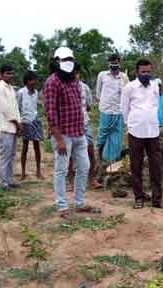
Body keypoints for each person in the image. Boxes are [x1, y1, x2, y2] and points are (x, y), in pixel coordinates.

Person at [43, 47, 99, 218]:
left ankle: (79, 202)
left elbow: (79, 106)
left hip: (78, 131)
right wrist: (59, 139)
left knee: (84, 166)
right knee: (61, 170)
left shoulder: (74, 80)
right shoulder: (52, 82)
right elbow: (51, 113)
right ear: (56, 62)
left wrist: (82, 129)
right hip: (64, 134)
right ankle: (62, 206)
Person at [121, 58, 163, 209]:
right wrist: (129, 126)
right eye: (143, 72)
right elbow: (124, 109)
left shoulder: (155, 86)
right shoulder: (129, 88)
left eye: (148, 72)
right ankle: (139, 198)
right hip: (135, 132)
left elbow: (157, 105)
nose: (146, 74)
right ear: (136, 72)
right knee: (136, 166)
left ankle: (157, 200)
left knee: (156, 167)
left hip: (153, 131)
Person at [95, 54, 130, 179]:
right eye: (112, 63)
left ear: (120, 63)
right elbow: (98, 94)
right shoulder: (102, 75)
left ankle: (113, 164)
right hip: (105, 110)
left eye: (116, 63)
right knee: (102, 135)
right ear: (108, 64)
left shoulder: (124, 77)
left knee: (116, 138)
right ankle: (99, 161)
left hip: (119, 112)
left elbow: (128, 95)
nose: (114, 65)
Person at [68, 66, 102, 190]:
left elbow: (88, 106)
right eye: (73, 73)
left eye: (77, 73)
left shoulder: (85, 88)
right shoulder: (65, 86)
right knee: (70, 154)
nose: (75, 76)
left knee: (90, 151)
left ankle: (91, 179)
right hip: (70, 124)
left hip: (84, 123)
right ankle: (71, 182)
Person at [0, 64, 22, 189]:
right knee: (5, 155)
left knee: (11, 155)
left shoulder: (11, 88)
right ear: (1, 74)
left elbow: (15, 107)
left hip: (13, 126)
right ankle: (2, 181)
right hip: (5, 126)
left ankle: (9, 179)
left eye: (11, 73)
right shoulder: (0, 87)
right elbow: (5, 108)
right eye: (7, 73)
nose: (10, 76)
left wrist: (19, 122)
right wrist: (16, 123)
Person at [17, 71, 44, 180]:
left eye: (36, 80)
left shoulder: (36, 92)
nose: (35, 82)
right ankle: (23, 172)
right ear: (27, 81)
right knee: (25, 147)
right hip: (25, 122)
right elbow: (18, 108)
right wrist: (18, 124)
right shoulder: (20, 92)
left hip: (35, 121)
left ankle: (38, 171)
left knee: (37, 146)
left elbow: (34, 107)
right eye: (33, 80)